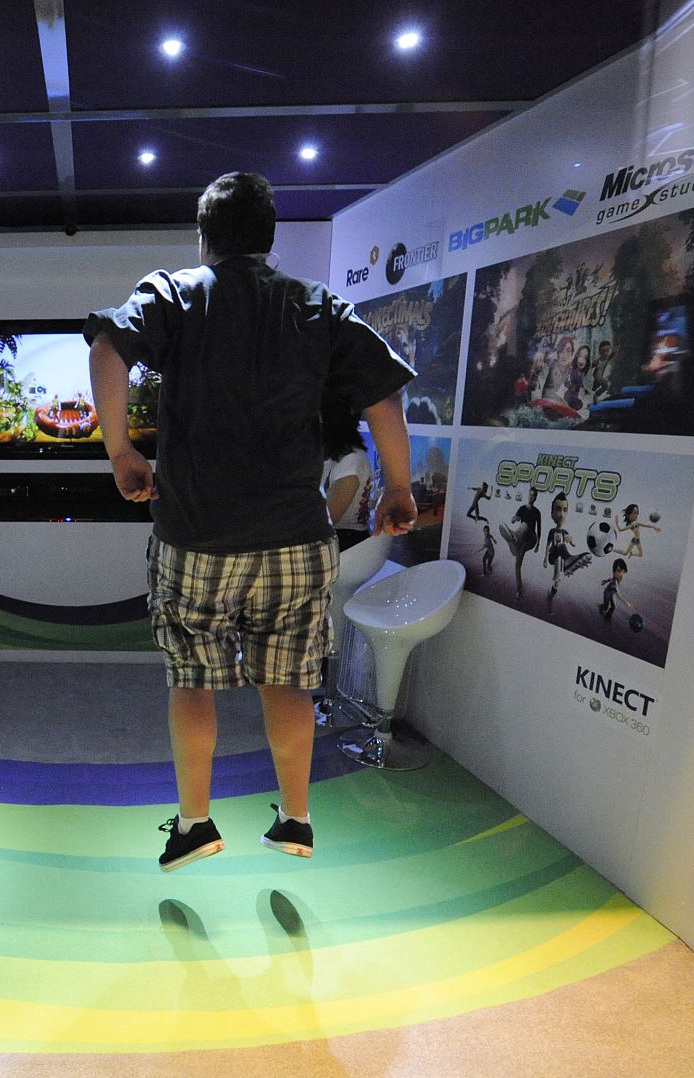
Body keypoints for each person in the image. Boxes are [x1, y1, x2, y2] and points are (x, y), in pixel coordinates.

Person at [86, 171, 416, 872]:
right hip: (296, 537)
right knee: (288, 682)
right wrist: (399, 485)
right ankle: (295, 819)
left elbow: (109, 348)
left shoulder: (174, 292)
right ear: (270, 238)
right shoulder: (319, 306)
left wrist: (121, 450)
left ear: (205, 238)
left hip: (195, 536)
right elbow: (383, 392)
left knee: (193, 681)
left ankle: (195, 824)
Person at [321, 402, 375, 551]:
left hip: (347, 543)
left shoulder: (351, 460)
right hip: (342, 539)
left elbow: (329, 519)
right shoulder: (339, 454)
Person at [542, 492, 592, 611]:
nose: (561, 514)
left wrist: (571, 540)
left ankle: (551, 596)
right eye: (558, 510)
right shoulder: (552, 531)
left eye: (565, 510)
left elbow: (573, 543)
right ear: (552, 513)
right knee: (560, 546)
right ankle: (570, 560)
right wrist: (545, 559)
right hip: (552, 556)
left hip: (560, 559)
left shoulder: (565, 532)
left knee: (557, 582)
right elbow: (548, 546)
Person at [498, 488, 543, 603]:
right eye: (530, 495)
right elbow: (514, 518)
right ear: (528, 495)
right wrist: (514, 518)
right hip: (523, 540)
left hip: (531, 539)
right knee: (517, 563)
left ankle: (514, 538)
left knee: (525, 525)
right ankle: (519, 590)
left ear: (536, 498)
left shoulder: (537, 512)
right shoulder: (522, 509)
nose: (531, 497)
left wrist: (538, 543)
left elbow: (539, 528)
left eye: (534, 496)